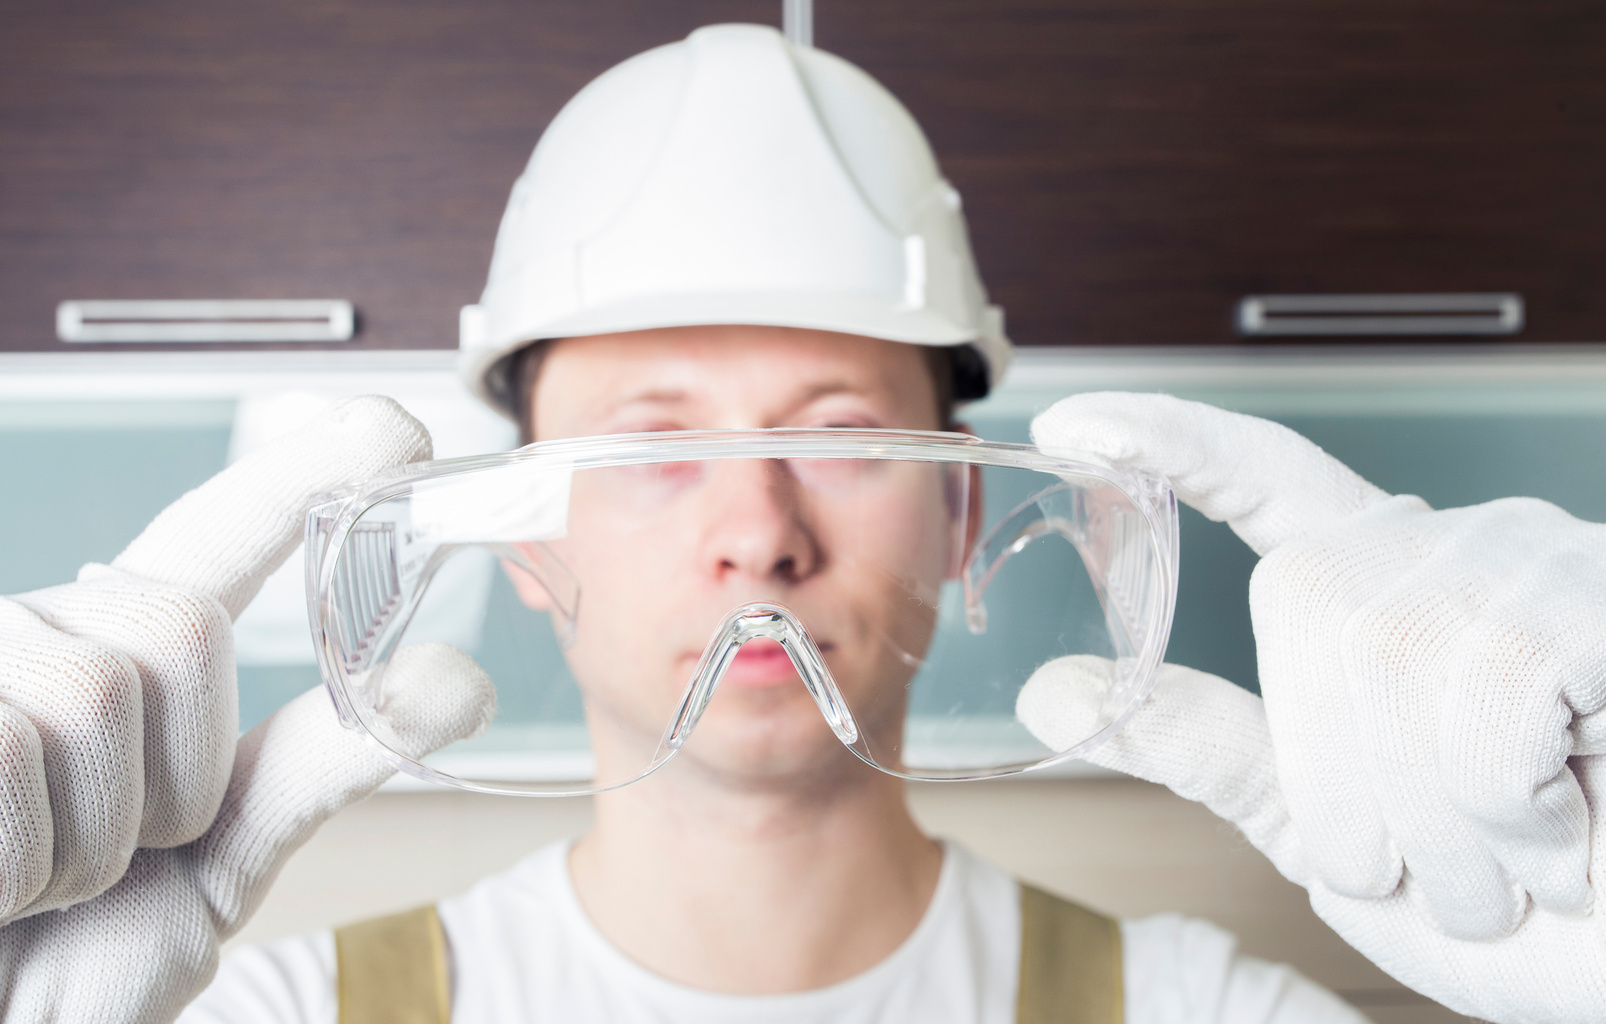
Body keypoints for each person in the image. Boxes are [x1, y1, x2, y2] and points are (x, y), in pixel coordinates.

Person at [0, 23, 1599, 1024]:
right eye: (652, 446)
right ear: (528, 544)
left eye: (843, 439)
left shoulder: (1212, 1011)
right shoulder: (264, 1012)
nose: (755, 534)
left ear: (965, 514)